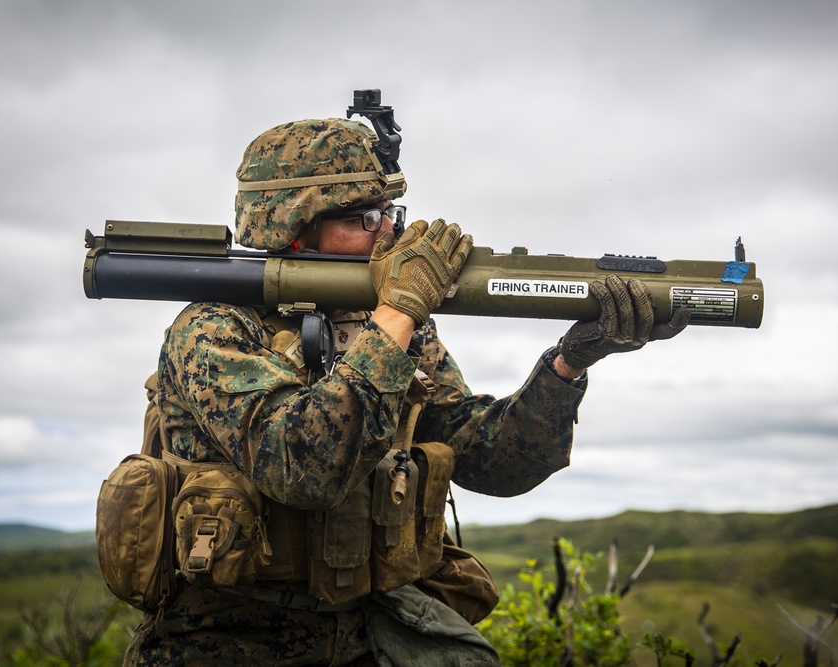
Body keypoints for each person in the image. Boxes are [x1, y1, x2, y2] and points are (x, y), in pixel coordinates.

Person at [123, 116, 688, 666]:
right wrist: (397, 316)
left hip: (369, 629)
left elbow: (494, 462)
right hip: (224, 636)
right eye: (366, 217)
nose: (389, 232)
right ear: (294, 225)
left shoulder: (388, 323)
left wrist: (567, 365)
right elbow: (302, 467)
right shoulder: (215, 329)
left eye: (389, 212)